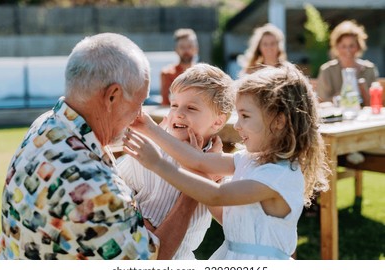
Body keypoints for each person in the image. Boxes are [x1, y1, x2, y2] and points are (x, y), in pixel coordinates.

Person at [0, 33, 197, 260]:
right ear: (112, 96)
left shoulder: (43, 125)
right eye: (139, 103)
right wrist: (192, 191)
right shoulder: (96, 189)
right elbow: (152, 263)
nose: (140, 114)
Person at [122, 63, 330, 260]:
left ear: (279, 121)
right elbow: (198, 161)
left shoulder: (279, 175)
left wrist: (158, 163)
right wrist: (149, 128)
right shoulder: (249, 160)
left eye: (245, 116)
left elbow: (216, 195)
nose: (237, 126)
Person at [117, 63, 235, 259]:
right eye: (174, 105)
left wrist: (206, 175)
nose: (178, 113)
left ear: (217, 122)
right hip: (136, 250)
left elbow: (230, 220)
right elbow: (117, 184)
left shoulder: (218, 166)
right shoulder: (150, 150)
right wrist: (136, 218)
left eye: (191, 107)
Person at [316, 20, 379, 104]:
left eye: (352, 46)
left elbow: (374, 102)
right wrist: (342, 96)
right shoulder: (327, 70)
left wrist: (363, 88)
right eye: (343, 46)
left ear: (358, 46)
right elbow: (321, 101)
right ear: (337, 47)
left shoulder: (369, 69)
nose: (348, 51)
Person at [160, 28, 199, 105]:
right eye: (182, 47)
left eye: (190, 46)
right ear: (176, 50)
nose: (186, 51)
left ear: (196, 49)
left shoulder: (204, 74)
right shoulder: (167, 73)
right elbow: (166, 103)